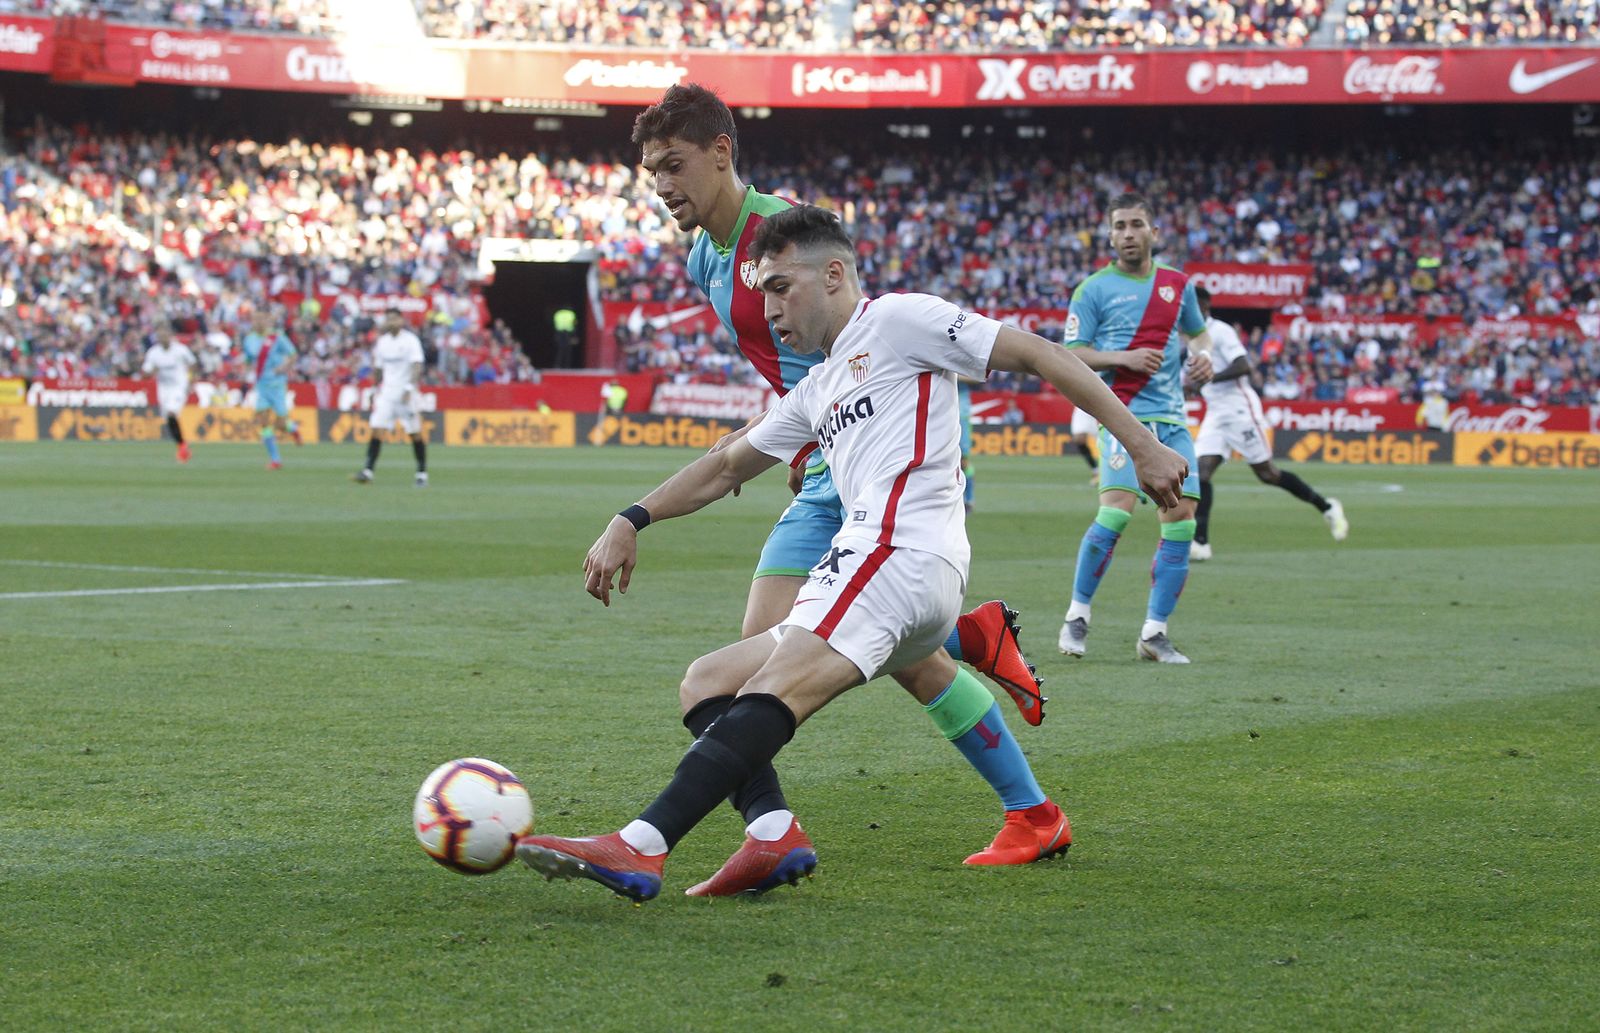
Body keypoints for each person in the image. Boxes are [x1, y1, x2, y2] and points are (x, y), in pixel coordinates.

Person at [516, 206, 1187, 902]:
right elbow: (723, 468)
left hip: (899, 552)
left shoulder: (896, 320)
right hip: (892, 577)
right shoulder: (818, 386)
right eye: (763, 291)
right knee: (706, 681)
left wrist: (1140, 443)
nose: (768, 306)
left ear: (834, 274)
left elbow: (1040, 352)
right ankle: (783, 825)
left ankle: (642, 845)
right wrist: (633, 517)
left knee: (773, 689)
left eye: (781, 286)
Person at [627, 84, 1052, 885]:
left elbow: (865, 333)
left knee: (767, 670)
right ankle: (1007, 763)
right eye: (651, 175)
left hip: (859, 474)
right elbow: (795, 375)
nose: (664, 187)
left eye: (675, 166)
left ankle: (753, 834)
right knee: (838, 658)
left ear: (722, 154)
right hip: (813, 464)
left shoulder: (781, 232)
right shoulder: (702, 256)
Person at [1055, 193, 1214, 665]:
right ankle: (1077, 615)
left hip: (1172, 417)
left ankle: (1154, 633)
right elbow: (1071, 354)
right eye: (1120, 225)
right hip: (1122, 413)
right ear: (1110, 235)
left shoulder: (1177, 285)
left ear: (1153, 232)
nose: (1128, 233)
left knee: (1181, 522)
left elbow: (1198, 332)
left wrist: (1203, 354)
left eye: (1136, 224)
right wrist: (1122, 358)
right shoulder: (1093, 290)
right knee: (1117, 511)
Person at [1190, 287, 1348, 561]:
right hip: (1216, 413)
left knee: (1267, 473)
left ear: (1204, 306)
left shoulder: (1220, 332)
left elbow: (1244, 366)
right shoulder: (1190, 337)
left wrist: (1210, 378)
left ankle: (1327, 507)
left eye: (1191, 306)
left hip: (1240, 410)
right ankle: (1201, 543)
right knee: (1201, 473)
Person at [354, 309, 428, 487]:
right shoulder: (382, 342)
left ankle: (421, 473)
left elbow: (417, 365)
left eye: (394, 319)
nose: (391, 322)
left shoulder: (410, 340)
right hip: (386, 393)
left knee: (414, 433)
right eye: (389, 319)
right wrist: (373, 389)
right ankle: (368, 471)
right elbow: (379, 368)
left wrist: (410, 387)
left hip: (405, 393)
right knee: (377, 429)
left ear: (401, 320)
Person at [239, 309, 302, 470]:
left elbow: (293, 354)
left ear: (267, 321)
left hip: (277, 384)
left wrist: (284, 367)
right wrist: (245, 374)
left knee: (280, 424)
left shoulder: (277, 338)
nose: (258, 322)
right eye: (255, 319)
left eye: (261, 319)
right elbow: (248, 359)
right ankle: (275, 459)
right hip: (262, 385)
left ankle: (293, 429)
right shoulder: (249, 340)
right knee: (263, 421)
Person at [142, 322, 197, 464]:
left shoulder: (181, 350)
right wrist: (150, 372)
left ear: (171, 336)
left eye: (165, 335)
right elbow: (146, 373)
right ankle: (182, 446)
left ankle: (182, 448)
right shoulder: (153, 353)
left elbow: (192, 363)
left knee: (172, 413)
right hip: (164, 388)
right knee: (168, 419)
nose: (163, 338)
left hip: (179, 386)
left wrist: (191, 381)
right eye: (160, 336)